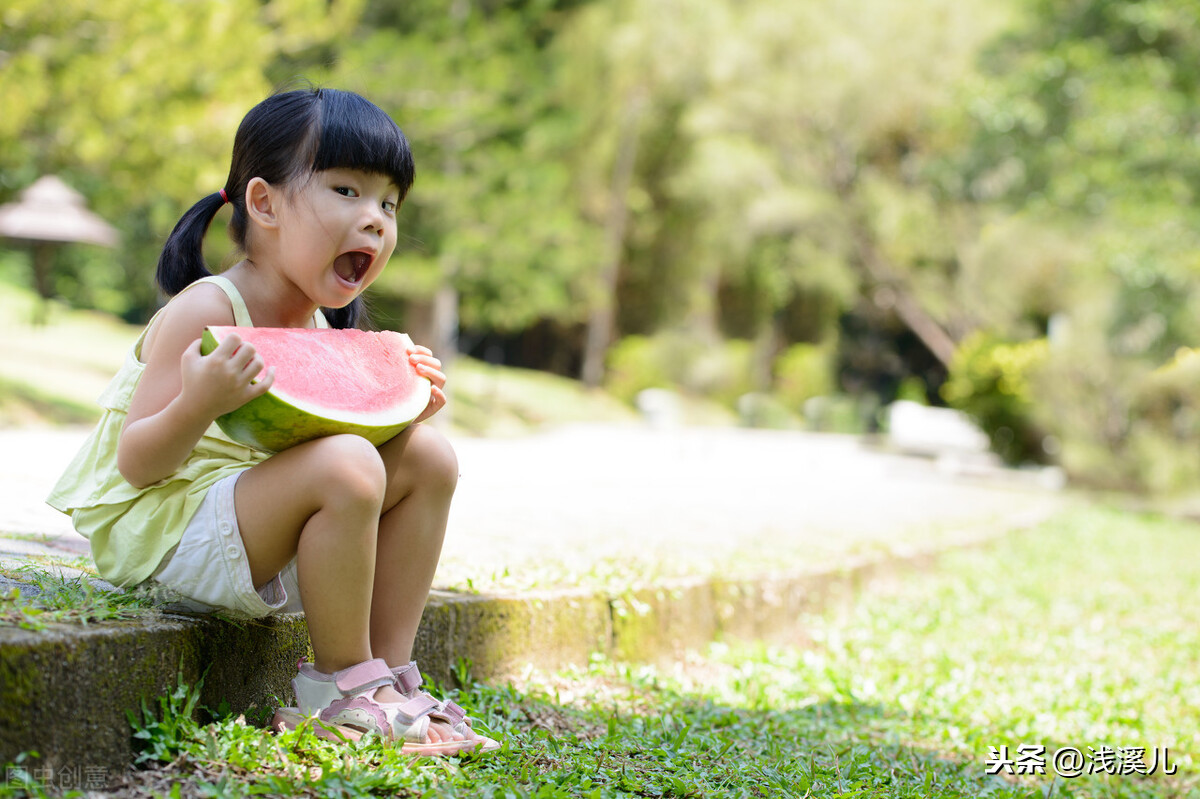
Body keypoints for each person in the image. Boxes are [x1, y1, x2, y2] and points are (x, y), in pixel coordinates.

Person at [47, 86, 496, 755]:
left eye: (389, 203)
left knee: (431, 456)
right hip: (169, 540)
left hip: (260, 542)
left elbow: (322, 451)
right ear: (264, 203)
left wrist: (402, 412)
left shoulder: (320, 326)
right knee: (349, 463)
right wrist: (199, 402)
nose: (375, 220)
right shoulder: (208, 309)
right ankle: (337, 690)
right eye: (347, 190)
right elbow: (136, 464)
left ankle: (388, 675)